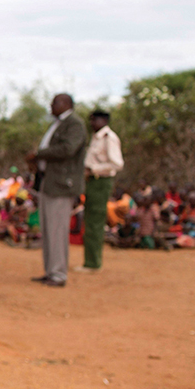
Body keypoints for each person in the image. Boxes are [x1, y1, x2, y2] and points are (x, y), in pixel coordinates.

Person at [25, 93, 87, 287]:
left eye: (55, 102)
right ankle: (51, 271)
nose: (51, 105)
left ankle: (59, 274)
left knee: (57, 230)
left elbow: (68, 149)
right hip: (48, 182)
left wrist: (39, 154)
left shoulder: (74, 124)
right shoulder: (59, 123)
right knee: (48, 229)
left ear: (66, 104)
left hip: (61, 185)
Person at [78, 109, 124, 272]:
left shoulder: (108, 138)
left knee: (95, 222)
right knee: (90, 220)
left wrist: (94, 169)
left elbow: (117, 164)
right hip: (92, 182)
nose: (91, 124)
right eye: (90, 120)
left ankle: (93, 263)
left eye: (94, 120)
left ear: (103, 121)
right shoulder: (96, 138)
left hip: (101, 181)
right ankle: (90, 260)